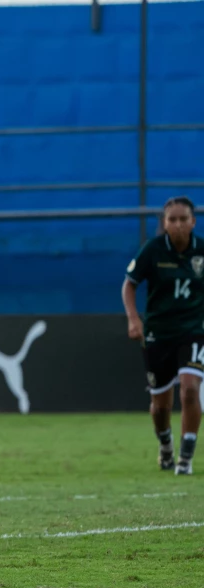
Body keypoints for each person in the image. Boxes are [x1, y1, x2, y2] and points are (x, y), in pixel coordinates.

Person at [123, 196, 200, 476]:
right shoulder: (153, 250)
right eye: (172, 219)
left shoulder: (202, 251)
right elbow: (129, 285)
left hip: (194, 331)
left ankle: (186, 459)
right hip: (158, 333)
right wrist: (134, 320)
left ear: (193, 222)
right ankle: (165, 445)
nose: (178, 224)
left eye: (183, 219)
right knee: (160, 405)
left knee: (191, 389)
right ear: (164, 223)